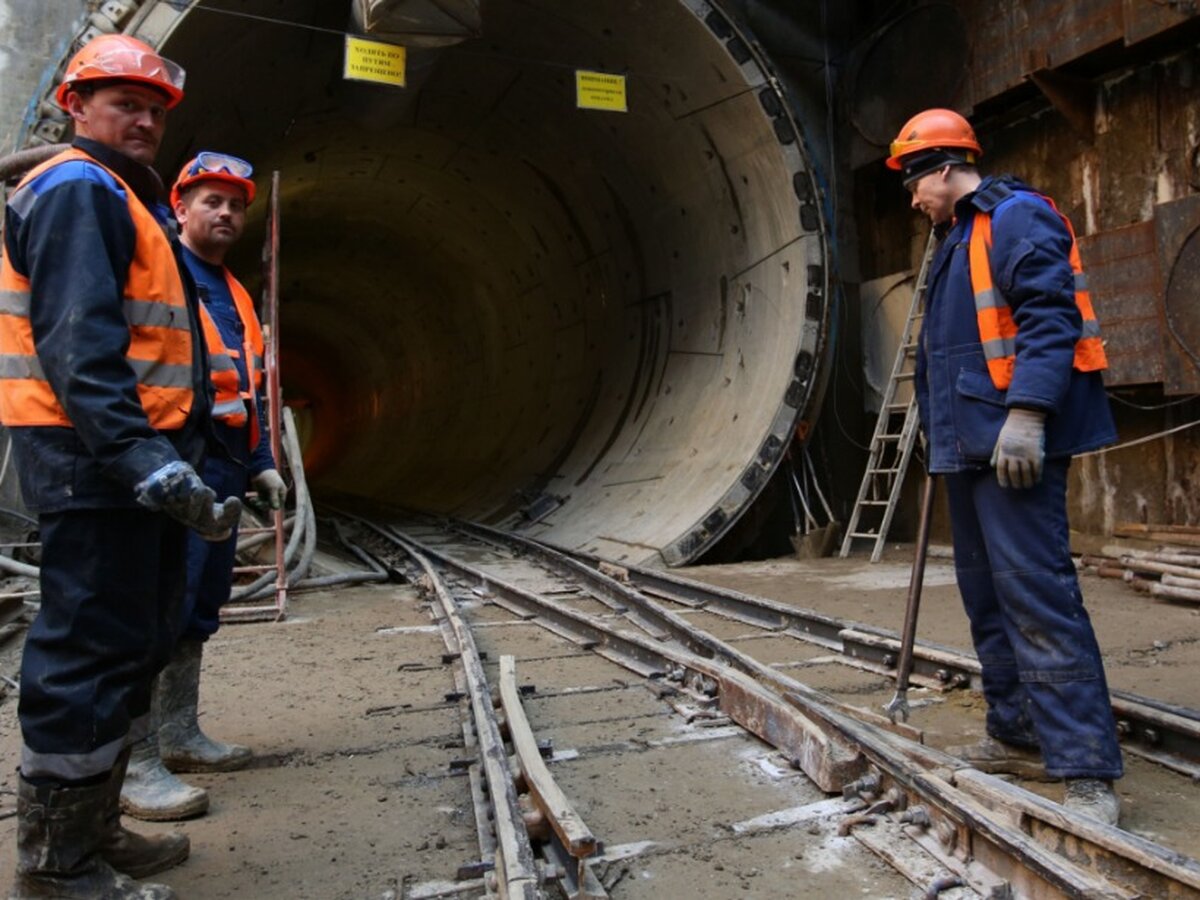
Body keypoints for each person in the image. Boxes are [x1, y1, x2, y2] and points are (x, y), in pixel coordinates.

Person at [0, 34, 242, 898]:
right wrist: (141, 458)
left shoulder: (116, 195)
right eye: (122, 103)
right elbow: (80, 343)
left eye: (153, 109)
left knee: (129, 646)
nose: (143, 120)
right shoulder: (74, 188)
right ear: (76, 106)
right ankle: (57, 864)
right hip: (91, 462)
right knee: (85, 657)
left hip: (124, 461)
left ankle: (96, 832)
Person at [886, 108, 1123, 826]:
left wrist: (1029, 414)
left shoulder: (1016, 218)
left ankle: (1085, 769)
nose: (913, 199)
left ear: (946, 169)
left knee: (1038, 596)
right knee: (988, 598)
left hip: (1012, 446)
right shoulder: (957, 239)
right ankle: (1017, 733)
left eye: (914, 184)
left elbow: (1052, 319)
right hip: (969, 448)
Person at [120, 151, 286, 821]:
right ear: (179, 209)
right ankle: (134, 760)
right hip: (167, 461)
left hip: (219, 464)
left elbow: (247, 387)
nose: (225, 212)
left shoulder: (237, 292)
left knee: (197, 603)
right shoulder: (159, 271)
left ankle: (179, 733)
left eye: (236, 204)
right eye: (211, 200)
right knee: (150, 608)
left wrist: (260, 459)